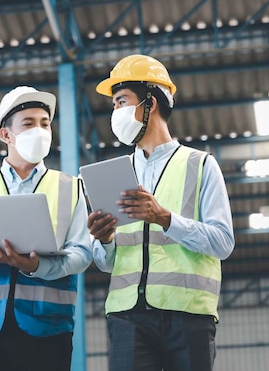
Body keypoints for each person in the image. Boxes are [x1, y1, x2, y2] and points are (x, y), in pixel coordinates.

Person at [88, 55, 235, 371]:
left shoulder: (200, 165)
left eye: (121, 102)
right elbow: (105, 263)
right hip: (127, 317)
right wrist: (105, 240)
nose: (115, 112)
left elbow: (223, 242)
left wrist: (165, 218)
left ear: (150, 102)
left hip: (189, 315)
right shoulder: (114, 174)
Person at [0, 86, 93, 371]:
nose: (40, 130)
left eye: (45, 123)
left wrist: (36, 266)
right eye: (29, 123)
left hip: (49, 332)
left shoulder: (69, 187)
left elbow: (83, 254)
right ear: (5, 134)